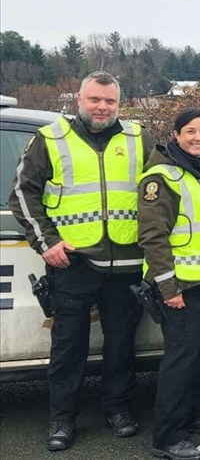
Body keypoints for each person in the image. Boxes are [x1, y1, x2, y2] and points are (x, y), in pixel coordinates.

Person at [9, 71, 151, 451]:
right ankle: (62, 419)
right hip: (71, 263)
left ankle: (118, 409)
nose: (102, 107)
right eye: (95, 100)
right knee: (68, 347)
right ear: (80, 101)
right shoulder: (51, 139)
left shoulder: (139, 139)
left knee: (122, 344)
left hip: (126, 263)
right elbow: (23, 194)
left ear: (119, 104)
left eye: (110, 101)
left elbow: (161, 190)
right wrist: (46, 243)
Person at [139, 108, 200, 460]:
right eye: (191, 131)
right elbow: (153, 237)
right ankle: (168, 438)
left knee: (197, 357)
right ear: (176, 134)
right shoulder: (162, 177)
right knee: (180, 363)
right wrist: (169, 289)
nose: (199, 137)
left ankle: (191, 415)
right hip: (179, 288)